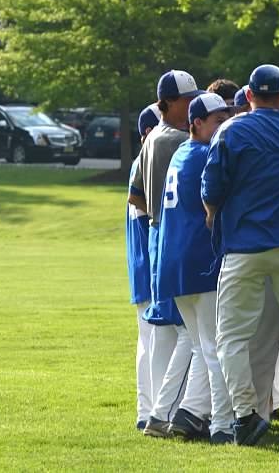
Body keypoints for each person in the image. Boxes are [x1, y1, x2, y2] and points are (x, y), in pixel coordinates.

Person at [202, 64, 279, 446]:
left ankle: (245, 414)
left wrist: (213, 214)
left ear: (250, 95)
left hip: (244, 245)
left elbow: (211, 188)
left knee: (232, 337)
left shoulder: (231, 130)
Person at [155, 92, 234, 443]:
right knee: (215, 347)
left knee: (202, 346)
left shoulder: (182, 153)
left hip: (175, 264)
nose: (223, 127)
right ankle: (221, 425)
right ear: (197, 123)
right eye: (218, 121)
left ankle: (182, 413)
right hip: (200, 262)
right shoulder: (205, 154)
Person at [128, 70, 201, 438]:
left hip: (160, 237)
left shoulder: (152, 138)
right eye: (188, 101)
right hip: (175, 237)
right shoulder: (177, 140)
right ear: (169, 103)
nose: (193, 107)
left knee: (165, 333)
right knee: (188, 332)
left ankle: (154, 411)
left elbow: (135, 196)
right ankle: (165, 413)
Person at [127, 104, 160, 430]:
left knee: (148, 342)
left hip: (144, 266)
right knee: (152, 342)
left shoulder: (144, 162)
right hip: (148, 266)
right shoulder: (144, 164)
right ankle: (149, 410)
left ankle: (147, 410)